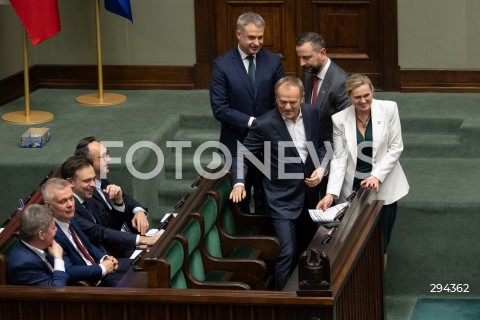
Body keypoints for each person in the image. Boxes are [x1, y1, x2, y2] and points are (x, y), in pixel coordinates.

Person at [230, 76, 327, 290]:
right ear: (276, 98)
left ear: (302, 98)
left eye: (293, 101)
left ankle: (306, 294)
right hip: (280, 199)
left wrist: (321, 169)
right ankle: (282, 301)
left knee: (309, 248)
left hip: (310, 196)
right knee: (287, 252)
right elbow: (242, 155)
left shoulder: (312, 114)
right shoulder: (264, 123)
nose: (287, 106)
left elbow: (321, 146)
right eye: (282, 101)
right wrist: (239, 183)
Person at [316, 73, 409, 265]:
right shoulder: (339, 119)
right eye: (357, 97)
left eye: (367, 95)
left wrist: (377, 175)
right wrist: (330, 194)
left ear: (372, 91)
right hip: (354, 188)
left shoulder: (389, 109)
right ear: (349, 97)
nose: (363, 100)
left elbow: (395, 147)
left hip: (385, 186)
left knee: (381, 241)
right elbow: (340, 158)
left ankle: (380, 278)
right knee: (354, 241)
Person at [210, 12, 286, 214]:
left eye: (260, 37)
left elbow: (283, 99)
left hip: (268, 144)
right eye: (251, 37)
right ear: (238, 34)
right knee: (238, 202)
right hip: (236, 142)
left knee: (266, 199)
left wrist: (267, 124)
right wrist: (253, 122)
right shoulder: (222, 64)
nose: (257, 42)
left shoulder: (273, 61)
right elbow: (219, 108)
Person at [59, 155, 160, 258]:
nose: (93, 184)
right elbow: (100, 233)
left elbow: (111, 227)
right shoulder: (69, 209)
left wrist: (118, 202)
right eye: (87, 181)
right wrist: (141, 240)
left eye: (94, 179)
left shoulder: (88, 199)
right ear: (70, 182)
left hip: (115, 252)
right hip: (102, 261)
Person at [42, 178, 129, 286]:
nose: (70, 204)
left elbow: (89, 245)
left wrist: (104, 257)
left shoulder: (71, 218)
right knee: (137, 283)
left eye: (71, 198)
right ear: (48, 205)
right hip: (92, 282)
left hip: (101, 268)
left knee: (141, 265)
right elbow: (68, 271)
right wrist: (102, 268)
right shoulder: (50, 233)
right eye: (63, 201)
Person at [296, 32, 350, 197]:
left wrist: (324, 165)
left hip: (331, 154)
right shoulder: (310, 71)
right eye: (300, 57)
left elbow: (342, 132)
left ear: (322, 53)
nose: (301, 63)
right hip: (312, 149)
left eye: (306, 57)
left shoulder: (340, 82)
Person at [74, 136, 149, 235]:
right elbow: (108, 229)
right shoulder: (87, 193)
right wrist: (118, 203)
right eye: (103, 156)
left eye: (107, 154)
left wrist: (139, 211)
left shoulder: (102, 181)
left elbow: (124, 197)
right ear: (88, 163)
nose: (109, 159)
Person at [7, 204, 69, 286]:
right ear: (41, 235)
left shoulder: (40, 244)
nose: (56, 230)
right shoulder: (24, 265)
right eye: (53, 227)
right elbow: (56, 293)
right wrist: (58, 259)